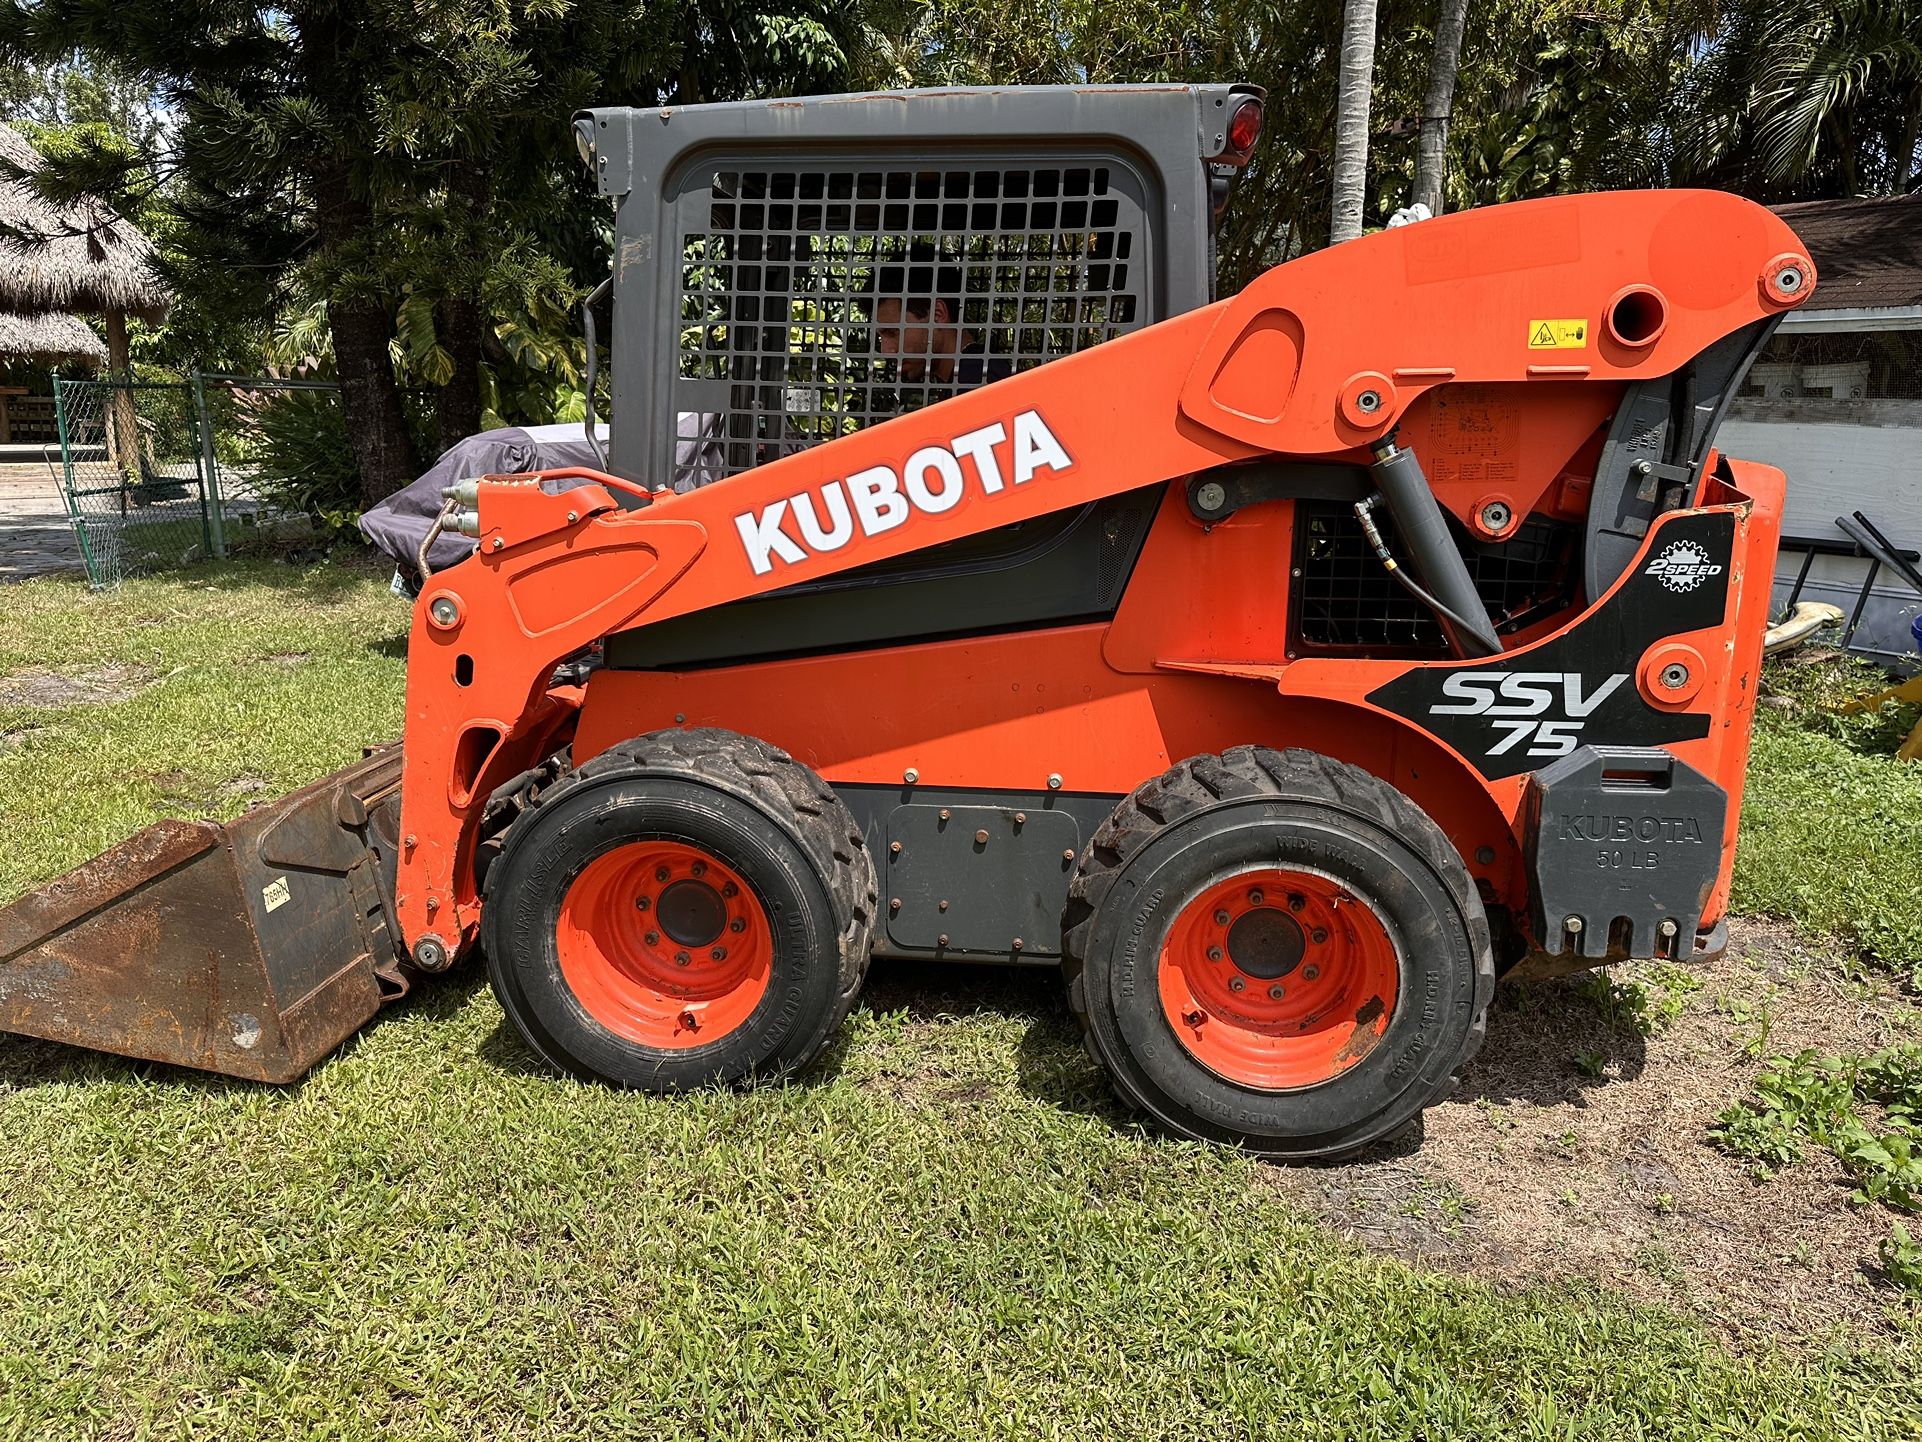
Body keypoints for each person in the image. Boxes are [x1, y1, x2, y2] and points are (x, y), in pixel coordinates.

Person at [870, 248, 1012, 388]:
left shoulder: (975, 379)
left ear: (937, 314)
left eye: (893, 332)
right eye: (881, 337)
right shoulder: (971, 373)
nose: (886, 351)